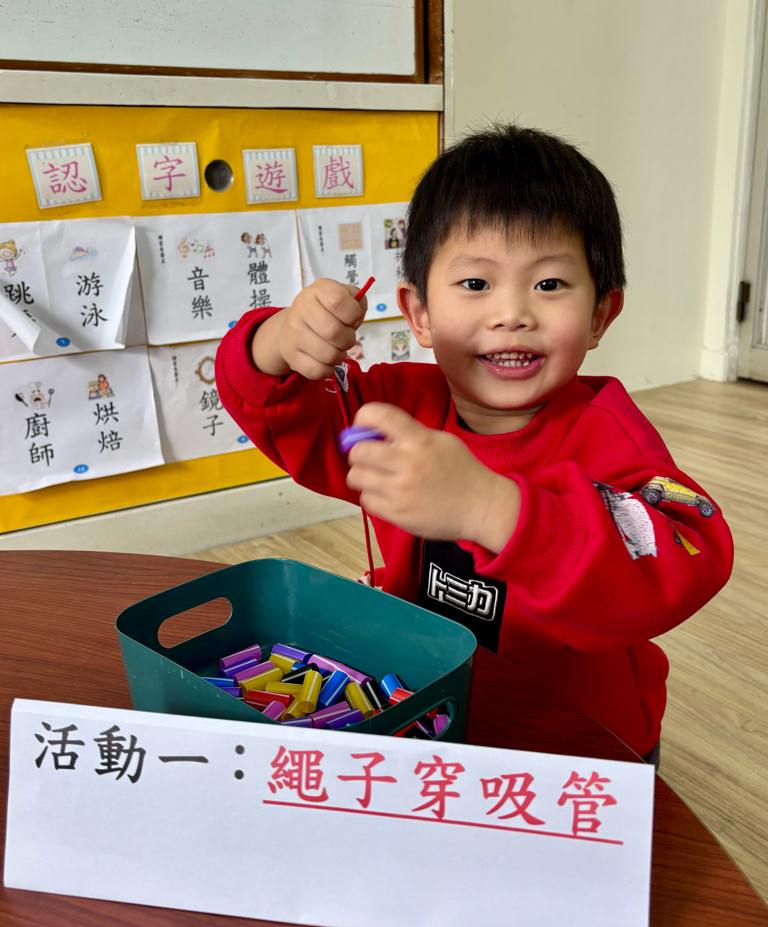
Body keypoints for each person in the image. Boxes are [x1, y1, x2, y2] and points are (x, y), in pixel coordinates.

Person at [215, 123, 733, 764]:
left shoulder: (609, 434)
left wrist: (488, 507)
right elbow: (286, 414)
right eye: (475, 284)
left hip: (579, 744)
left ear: (600, 314)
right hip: (428, 712)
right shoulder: (395, 408)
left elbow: (682, 559)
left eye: (549, 284)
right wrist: (278, 341)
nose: (511, 313)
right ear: (419, 314)